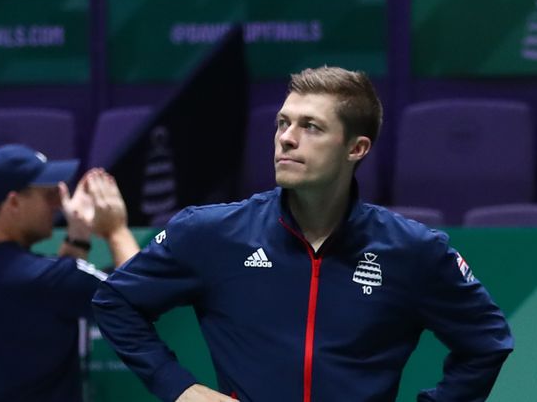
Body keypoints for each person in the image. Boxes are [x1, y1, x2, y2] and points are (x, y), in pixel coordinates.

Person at [92, 67, 514, 402]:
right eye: (282, 123)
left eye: (310, 126)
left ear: (356, 148)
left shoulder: (413, 250)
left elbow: (487, 343)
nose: (287, 139)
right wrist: (180, 388)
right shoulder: (213, 232)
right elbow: (115, 301)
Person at [0, 144, 139, 402]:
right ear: (13, 202)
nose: (57, 205)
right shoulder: (49, 279)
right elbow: (139, 295)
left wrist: (78, 233)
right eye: (49, 195)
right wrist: (116, 229)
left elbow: (50, 295)